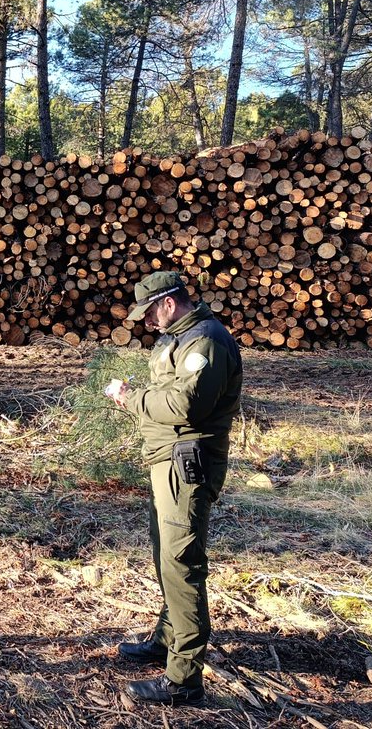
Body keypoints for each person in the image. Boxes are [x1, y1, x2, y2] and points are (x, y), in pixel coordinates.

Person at [104, 271, 242, 706]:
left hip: (187, 464)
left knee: (181, 562)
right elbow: (170, 400)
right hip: (167, 460)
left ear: (168, 302)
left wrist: (132, 399)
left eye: (149, 312)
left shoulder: (205, 340)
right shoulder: (178, 338)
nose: (145, 322)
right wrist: (145, 401)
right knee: (165, 554)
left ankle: (184, 679)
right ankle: (168, 639)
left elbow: (185, 404)